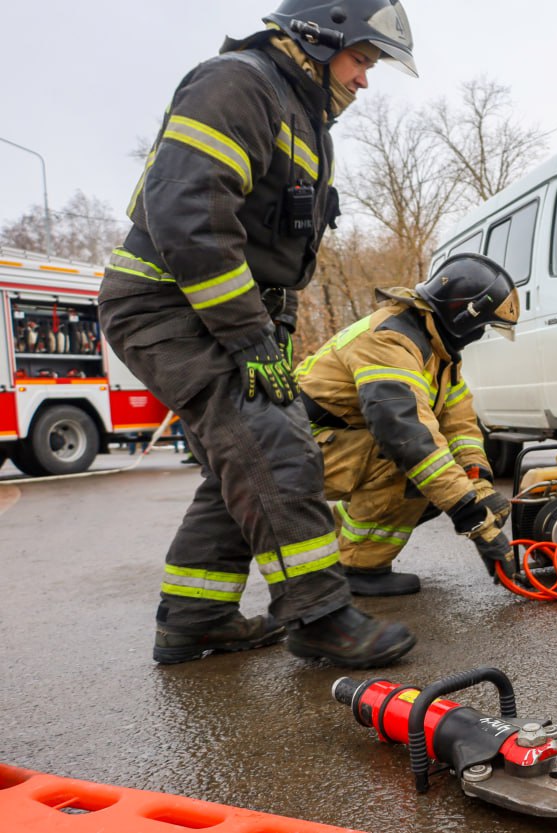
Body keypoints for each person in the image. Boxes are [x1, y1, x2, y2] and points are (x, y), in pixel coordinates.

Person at [97, 0, 419, 668]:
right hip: (168, 300)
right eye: (362, 59)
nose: (365, 79)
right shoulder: (237, 83)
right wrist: (249, 337)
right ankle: (319, 616)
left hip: (213, 306)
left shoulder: (304, 118)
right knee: (276, 443)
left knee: (240, 456)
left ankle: (196, 619)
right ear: (320, 36)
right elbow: (189, 215)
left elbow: (277, 254)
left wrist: (272, 331)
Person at [295, 254, 522, 596]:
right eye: (483, 326)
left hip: (328, 443)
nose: (480, 335)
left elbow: (460, 426)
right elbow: (404, 435)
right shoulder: (391, 340)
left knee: (444, 482)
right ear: (463, 316)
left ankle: (337, 539)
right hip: (293, 447)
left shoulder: (440, 355)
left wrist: (479, 485)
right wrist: (472, 517)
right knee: (411, 464)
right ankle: (358, 566)